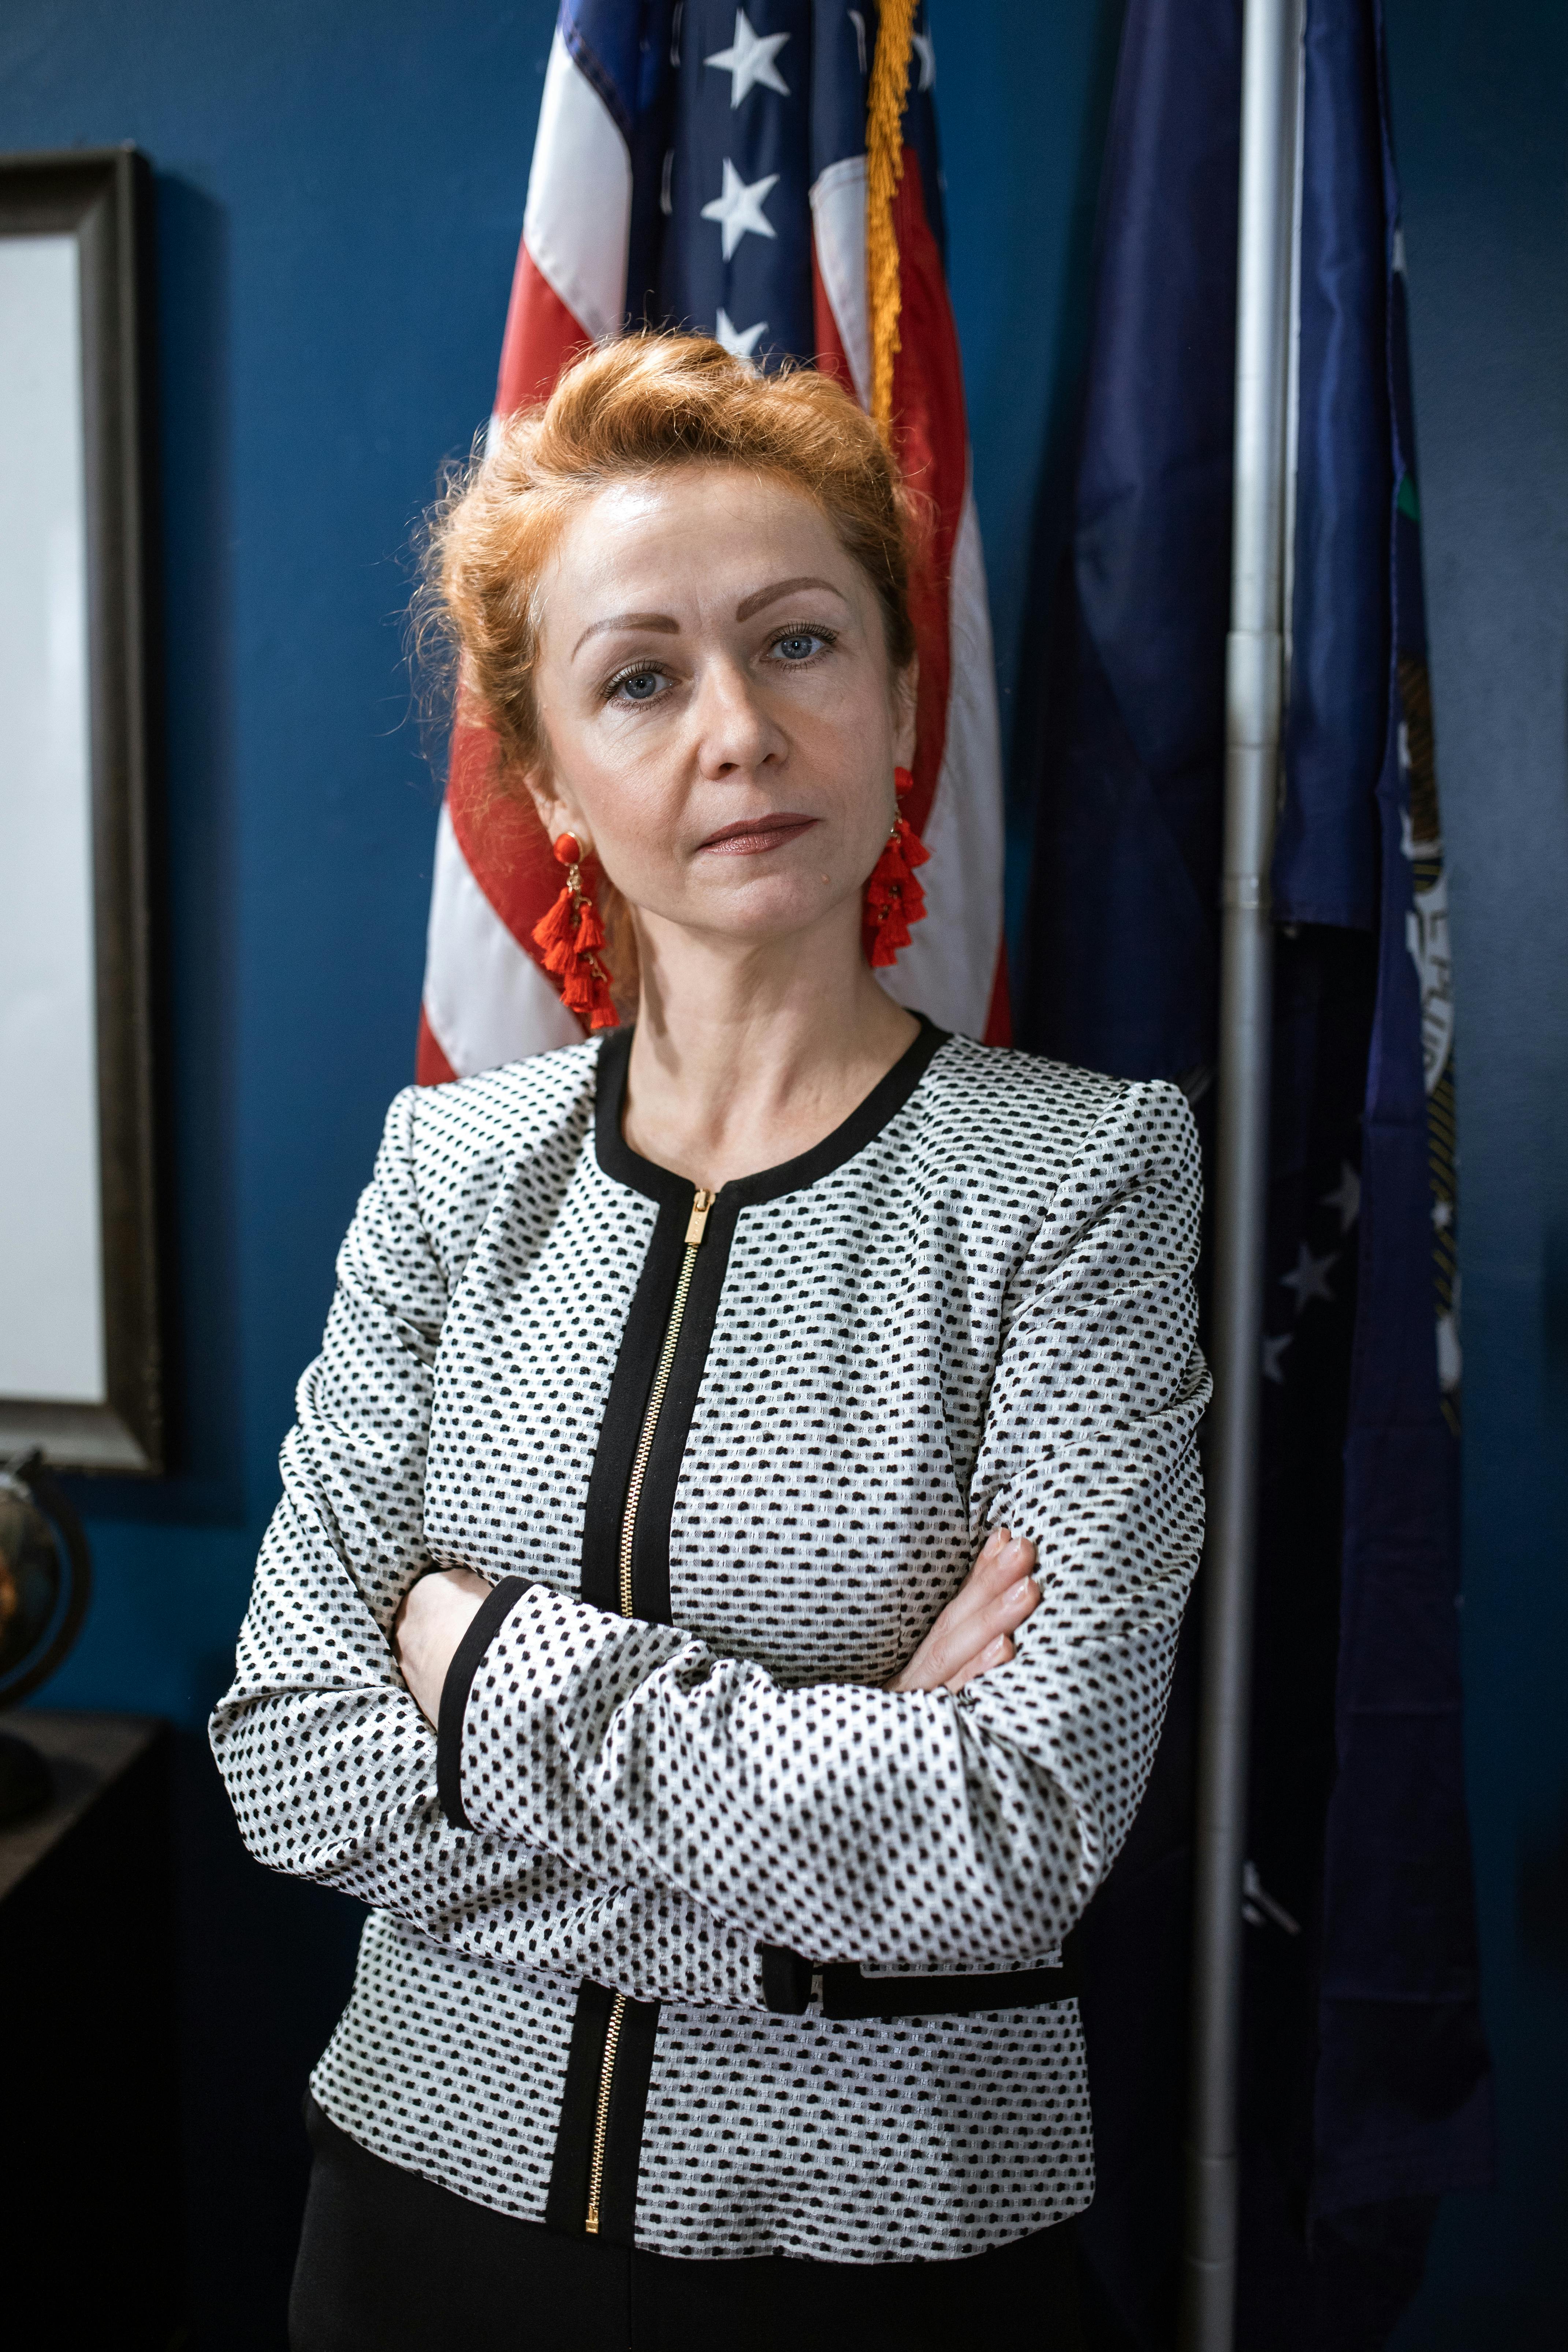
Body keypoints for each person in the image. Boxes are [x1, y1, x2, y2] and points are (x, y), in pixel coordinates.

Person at [211, 334, 1209, 2352]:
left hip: (897, 2259)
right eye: (643, 678)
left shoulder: (1085, 1176)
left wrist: (487, 1663)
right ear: (555, 781)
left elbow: (1015, 1847)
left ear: (905, 701)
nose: (736, 731)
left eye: (801, 644)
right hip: (413, 2229)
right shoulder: (444, 1174)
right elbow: (293, 1758)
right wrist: (848, 1870)